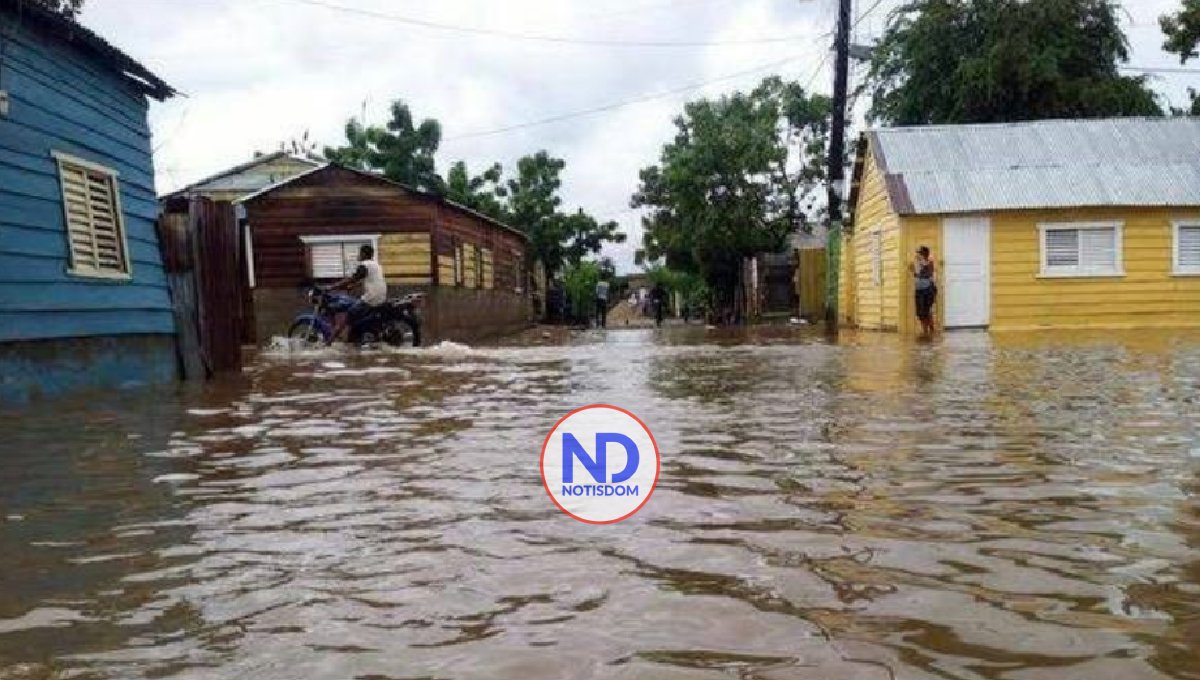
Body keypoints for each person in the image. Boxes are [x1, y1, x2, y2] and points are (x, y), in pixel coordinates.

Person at [327, 243, 387, 343]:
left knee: (348, 315)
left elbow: (353, 278)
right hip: (381, 296)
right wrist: (353, 286)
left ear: (364, 254)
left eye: (360, 253)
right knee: (356, 313)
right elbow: (366, 279)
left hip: (371, 298)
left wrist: (332, 287)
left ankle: (329, 342)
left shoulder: (364, 265)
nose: (358, 255)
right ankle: (356, 336)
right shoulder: (376, 265)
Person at [911, 245, 937, 338]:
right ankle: (925, 332)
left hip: (928, 289)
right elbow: (915, 273)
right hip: (919, 290)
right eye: (917, 253)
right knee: (920, 313)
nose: (917, 255)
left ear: (924, 254)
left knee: (926, 311)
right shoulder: (916, 263)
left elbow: (928, 273)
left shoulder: (929, 263)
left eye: (920, 253)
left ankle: (930, 331)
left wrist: (922, 263)